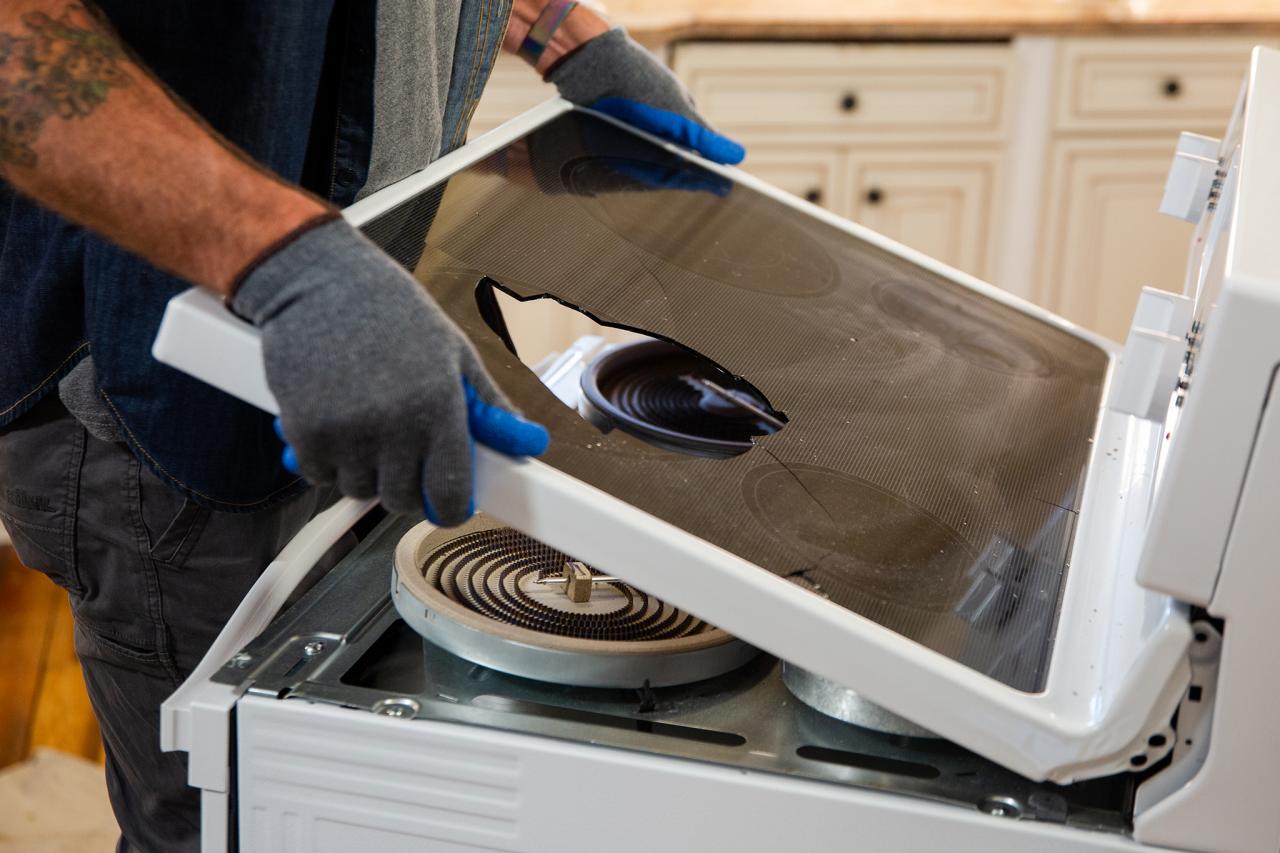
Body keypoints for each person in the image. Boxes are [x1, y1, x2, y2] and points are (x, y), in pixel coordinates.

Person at [0, 2, 744, 849]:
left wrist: (557, 30)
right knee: (230, 822)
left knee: (348, 804)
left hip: (366, 331)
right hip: (168, 395)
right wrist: (280, 259)